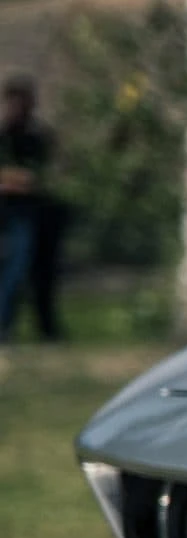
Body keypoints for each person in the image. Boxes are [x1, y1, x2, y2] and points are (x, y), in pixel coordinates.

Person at [1, 74, 60, 343]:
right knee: (13, 270)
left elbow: (42, 176)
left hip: (35, 213)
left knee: (40, 273)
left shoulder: (37, 138)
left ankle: (46, 329)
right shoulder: (5, 137)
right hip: (11, 214)